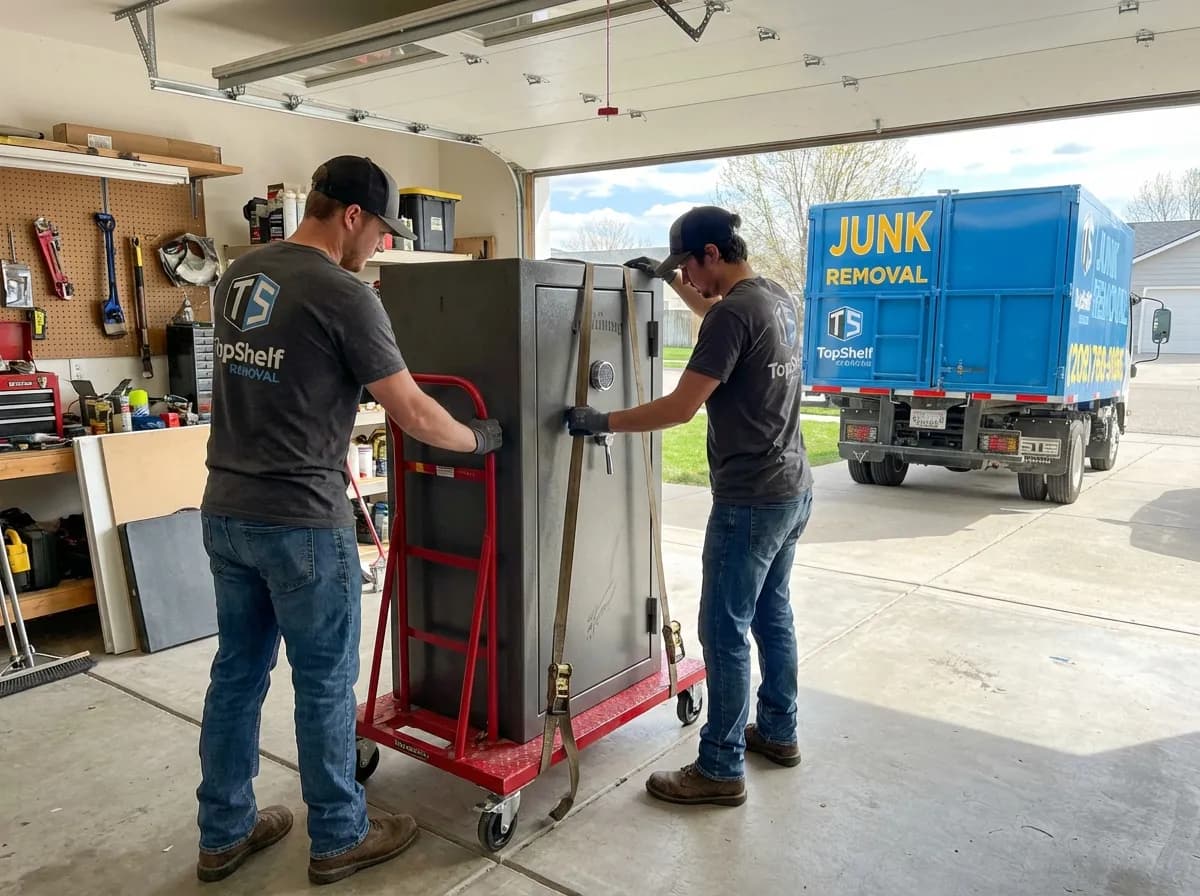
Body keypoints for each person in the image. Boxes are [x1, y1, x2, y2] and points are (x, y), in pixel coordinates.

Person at [196, 155, 502, 885]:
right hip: (301, 520)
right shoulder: (343, 293)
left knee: (236, 674)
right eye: (380, 230)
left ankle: (223, 833)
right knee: (325, 682)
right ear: (352, 215)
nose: (381, 244)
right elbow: (413, 410)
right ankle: (339, 834)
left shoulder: (240, 275)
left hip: (226, 511)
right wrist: (480, 439)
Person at [567, 205, 813, 807]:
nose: (691, 278)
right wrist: (676, 285)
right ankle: (778, 732)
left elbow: (680, 407)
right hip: (791, 488)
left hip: (749, 499)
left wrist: (603, 420)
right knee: (772, 615)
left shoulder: (732, 314)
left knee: (723, 632)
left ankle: (720, 767)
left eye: (691, 267)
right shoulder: (774, 297)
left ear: (712, 254)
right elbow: (723, 320)